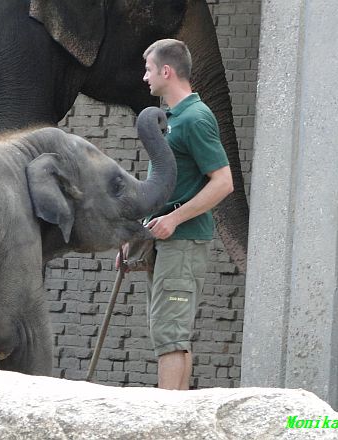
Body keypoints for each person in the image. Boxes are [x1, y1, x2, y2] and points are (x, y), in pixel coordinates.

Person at [119, 39, 233, 390]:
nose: (145, 77)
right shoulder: (170, 120)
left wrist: (174, 219)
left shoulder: (196, 118)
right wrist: (136, 235)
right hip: (165, 242)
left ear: (166, 71)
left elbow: (223, 182)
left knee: (170, 335)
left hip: (183, 242)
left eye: (149, 69)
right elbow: (165, 186)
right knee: (172, 335)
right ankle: (179, 414)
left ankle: (165, 416)